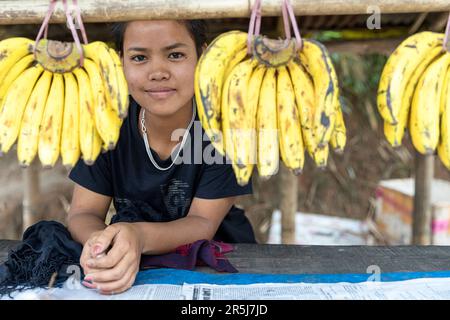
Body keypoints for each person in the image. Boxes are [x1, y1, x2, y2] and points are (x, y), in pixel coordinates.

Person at [67, 19, 256, 295]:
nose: (157, 72)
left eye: (175, 55)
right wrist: (101, 243)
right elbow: (83, 213)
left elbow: (202, 223)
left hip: (222, 265)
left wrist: (137, 235)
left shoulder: (226, 126)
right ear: (121, 62)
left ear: (203, 58)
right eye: (139, 57)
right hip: (134, 264)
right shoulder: (106, 123)